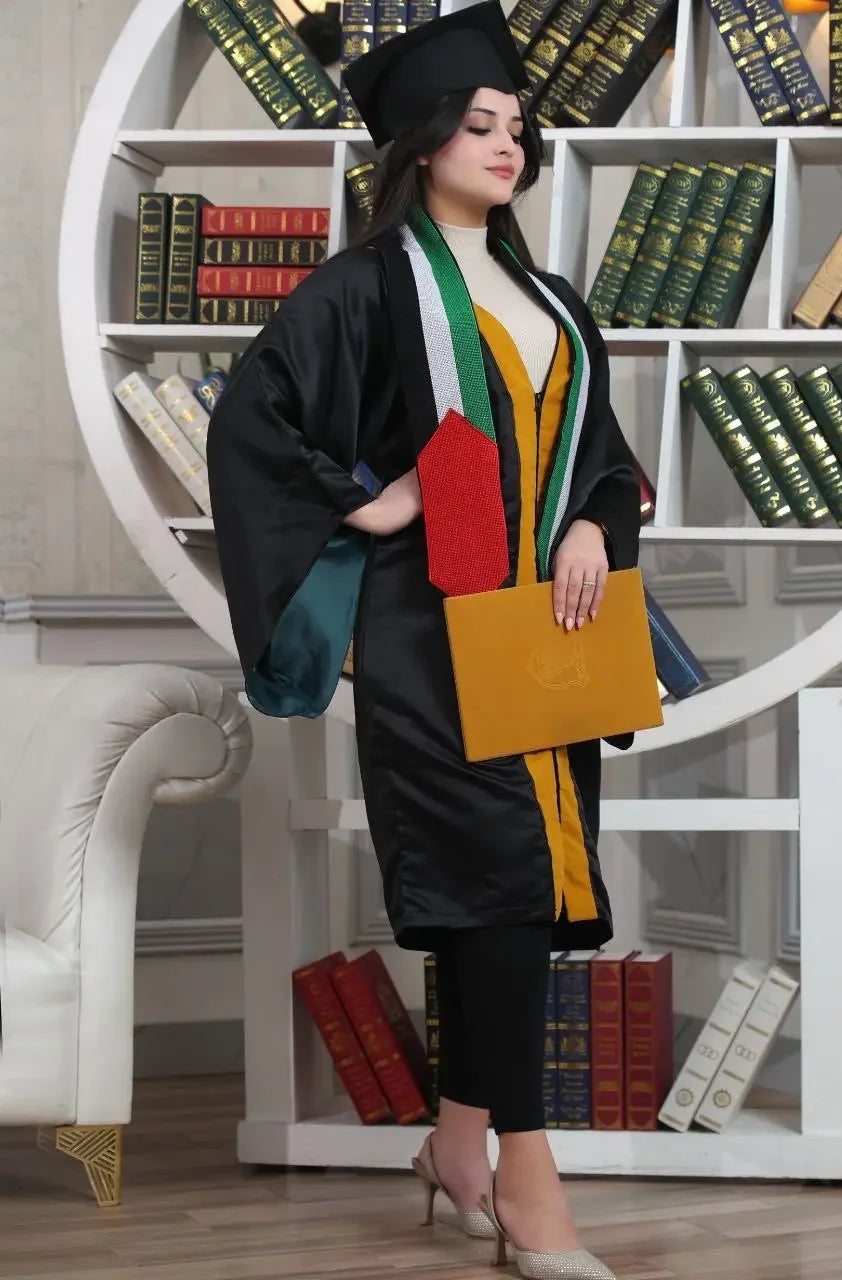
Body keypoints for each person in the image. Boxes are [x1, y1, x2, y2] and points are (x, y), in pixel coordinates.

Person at [207, 4, 642, 1276]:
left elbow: (603, 458)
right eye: (478, 123)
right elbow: (255, 417)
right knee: (496, 880)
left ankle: (455, 1147)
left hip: (547, 631)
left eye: (517, 126)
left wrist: (595, 524)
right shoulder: (368, 285)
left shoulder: (552, 299)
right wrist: (370, 499)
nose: (507, 143)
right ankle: (529, 1181)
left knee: (511, 895)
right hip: (434, 630)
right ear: (422, 140)